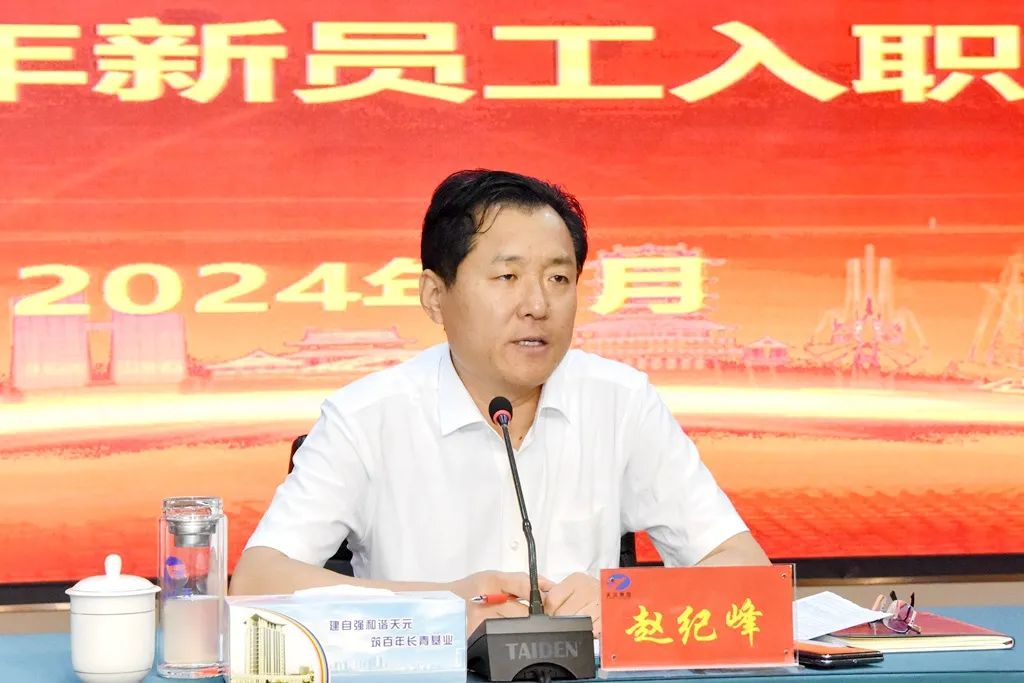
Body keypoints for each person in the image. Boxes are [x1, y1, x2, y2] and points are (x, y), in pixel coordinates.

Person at [230, 169, 770, 635]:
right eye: (507, 277)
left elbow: (745, 571)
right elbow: (257, 582)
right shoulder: (366, 417)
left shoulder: (621, 402)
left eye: (558, 278)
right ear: (435, 296)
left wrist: (623, 602)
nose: (537, 304)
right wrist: (441, 607)